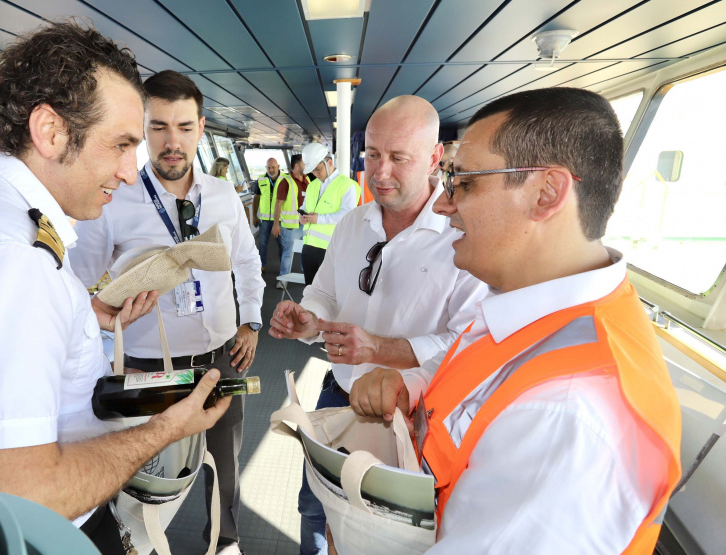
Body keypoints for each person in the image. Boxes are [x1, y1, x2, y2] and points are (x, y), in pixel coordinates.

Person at [0, 21, 231, 555]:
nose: (130, 173)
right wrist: (165, 430)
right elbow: (19, 494)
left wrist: (86, 316)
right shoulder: (7, 259)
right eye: (121, 145)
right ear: (51, 131)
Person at [349, 88, 682, 553]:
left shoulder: (567, 415)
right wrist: (413, 385)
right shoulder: (532, 311)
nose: (443, 205)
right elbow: (480, 379)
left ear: (547, 192)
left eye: (465, 183)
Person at [269, 96, 489, 555]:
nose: (381, 172)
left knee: (383, 532)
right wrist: (310, 320)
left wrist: (379, 349)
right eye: (372, 154)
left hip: (408, 414)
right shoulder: (353, 223)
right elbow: (326, 292)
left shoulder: (464, 239)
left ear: (434, 157)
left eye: (398, 158)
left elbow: (467, 343)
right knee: (315, 507)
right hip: (337, 393)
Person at [70, 70, 264, 555]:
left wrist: (251, 321)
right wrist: (98, 309)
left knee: (225, 464)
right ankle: (142, 548)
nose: (171, 143)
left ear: (201, 129)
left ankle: (225, 543)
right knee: (145, 474)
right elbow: (72, 280)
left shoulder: (223, 196)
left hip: (219, 358)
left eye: (183, 127)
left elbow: (246, 262)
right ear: (142, 129)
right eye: (158, 127)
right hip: (146, 366)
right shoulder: (113, 198)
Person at [299, 143, 358, 285]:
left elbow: (347, 215)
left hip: (331, 249)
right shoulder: (312, 185)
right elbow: (305, 206)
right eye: (313, 171)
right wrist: (302, 217)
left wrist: (319, 219)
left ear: (329, 162)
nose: (315, 174)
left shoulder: (347, 185)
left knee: (329, 291)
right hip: (308, 246)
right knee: (310, 289)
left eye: (318, 169)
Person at [272, 153, 309, 285]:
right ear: (297, 165)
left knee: (306, 251)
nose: (306, 166)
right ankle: (283, 280)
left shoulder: (307, 180)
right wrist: (276, 224)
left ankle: (308, 276)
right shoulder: (286, 181)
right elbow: (278, 203)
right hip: (291, 225)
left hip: (305, 223)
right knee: (288, 253)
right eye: (304, 163)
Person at [254, 157, 294, 273]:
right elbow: (256, 198)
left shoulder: (286, 179)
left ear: (278, 166)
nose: (271, 170)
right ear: (266, 168)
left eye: (273, 167)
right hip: (265, 219)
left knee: (282, 244)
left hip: (280, 218)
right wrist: (254, 216)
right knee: (262, 243)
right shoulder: (260, 179)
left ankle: (283, 267)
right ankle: (261, 265)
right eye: (269, 168)